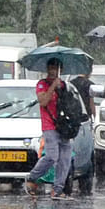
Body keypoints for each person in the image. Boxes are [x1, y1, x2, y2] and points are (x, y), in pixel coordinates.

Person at [25, 58, 73, 201]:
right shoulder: (42, 84)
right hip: (49, 126)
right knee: (52, 156)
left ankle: (58, 189)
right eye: (51, 68)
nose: (53, 71)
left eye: (56, 68)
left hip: (63, 127)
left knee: (65, 159)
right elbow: (43, 101)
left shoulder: (64, 85)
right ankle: (32, 176)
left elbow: (69, 104)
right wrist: (52, 86)